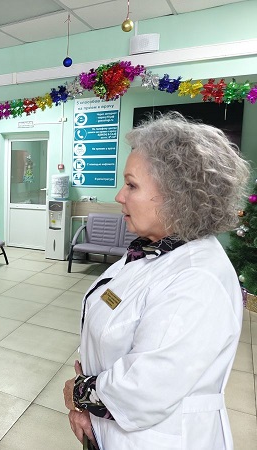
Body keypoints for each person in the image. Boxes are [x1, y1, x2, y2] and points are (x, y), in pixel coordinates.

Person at [62, 112, 251, 450]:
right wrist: (89, 410)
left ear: (177, 196)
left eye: (131, 185)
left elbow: (144, 388)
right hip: (109, 431)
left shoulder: (197, 278)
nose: (120, 196)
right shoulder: (152, 251)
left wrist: (80, 392)